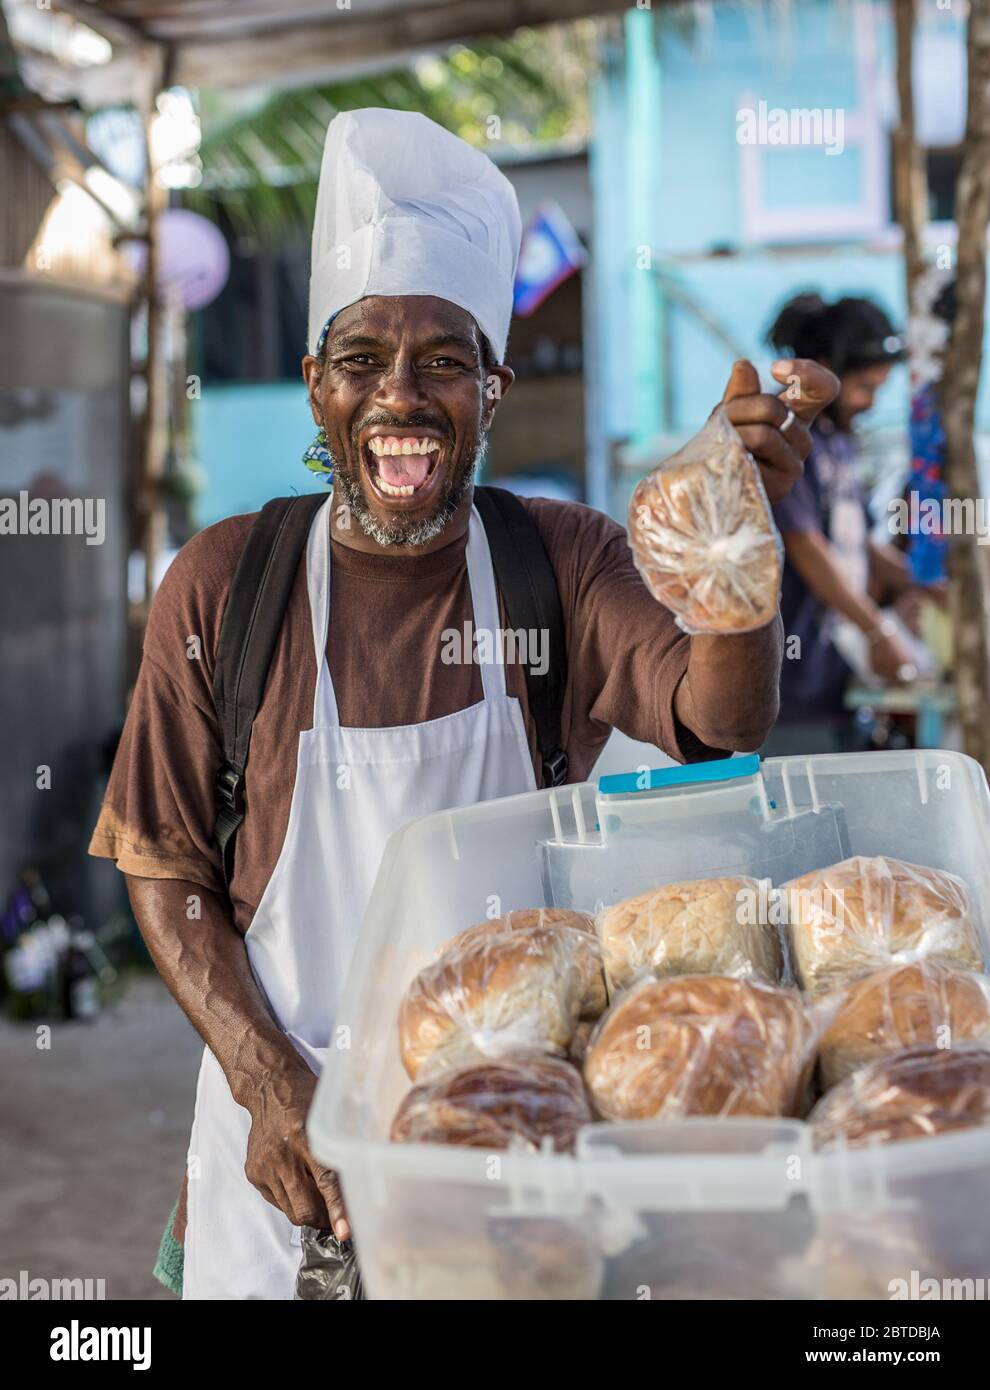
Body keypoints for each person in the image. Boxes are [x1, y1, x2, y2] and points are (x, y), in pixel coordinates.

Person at [89, 108, 837, 1300]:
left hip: (509, 1141)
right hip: (279, 1151)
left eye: (445, 360)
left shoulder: (562, 560)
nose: (402, 395)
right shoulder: (226, 585)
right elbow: (162, 863)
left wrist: (731, 555)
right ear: (314, 388)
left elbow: (721, 722)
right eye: (362, 359)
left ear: (492, 388)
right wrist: (272, 1083)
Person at [762, 293, 918, 755]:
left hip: (837, 676)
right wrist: (877, 630)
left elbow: (859, 543)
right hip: (793, 683)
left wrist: (925, 583)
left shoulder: (840, 442)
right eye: (864, 388)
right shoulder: (787, 435)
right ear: (826, 368)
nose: (870, 403)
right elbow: (807, 545)